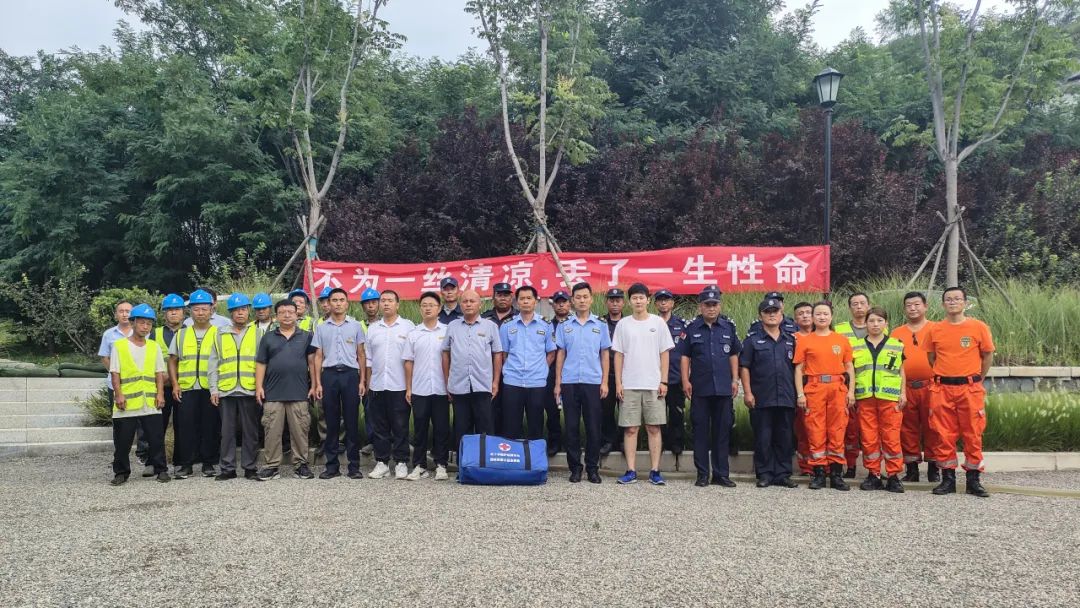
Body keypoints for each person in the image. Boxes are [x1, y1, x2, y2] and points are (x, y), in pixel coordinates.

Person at [925, 287, 994, 498]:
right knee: (943, 434)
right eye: (948, 299)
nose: (953, 302)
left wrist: (977, 378)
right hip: (942, 389)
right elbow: (931, 358)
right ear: (943, 304)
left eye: (957, 299)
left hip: (969, 388)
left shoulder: (978, 327)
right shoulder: (935, 329)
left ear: (965, 302)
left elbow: (987, 355)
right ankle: (948, 479)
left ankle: (974, 480)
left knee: (973, 433)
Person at [678, 286, 741, 488]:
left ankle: (721, 474)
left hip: (723, 388)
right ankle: (703, 474)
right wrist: (685, 381)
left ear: (719, 306)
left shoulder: (728, 327)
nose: (711, 308)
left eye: (714, 304)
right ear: (701, 306)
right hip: (700, 388)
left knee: (722, 432)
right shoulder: (691, 328)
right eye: (707, 305)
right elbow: (685, 357)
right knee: (701, 432)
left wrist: (735, 379)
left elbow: (733, 354)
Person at [612, 283, 675, 486]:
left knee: (654, 428)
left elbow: (664, 353)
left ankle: (655, 471)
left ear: (648, 300)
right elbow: (618, 355)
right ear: (629, 301)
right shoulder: (623, 324)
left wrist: (663, 380)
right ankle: (630, 470)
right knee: (630, 429)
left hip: (653, 384)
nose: (638, 301)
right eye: (634, 298)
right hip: (629, 384)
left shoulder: (658, 323)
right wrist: (618, 383)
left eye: (641, 297)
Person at [793, 301, 856, 491]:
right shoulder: (805, 340)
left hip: (837, 388)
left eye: (825, 314)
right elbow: (799, 369)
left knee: (837, 430)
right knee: (815, 430)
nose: (822, 317)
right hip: (814, 388)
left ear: (831, 316)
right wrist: (800, 394)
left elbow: (849, 367)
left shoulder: (841, 340)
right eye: (818, 314)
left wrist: (851, 391)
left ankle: (836, 474)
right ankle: (819, 473)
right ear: (813, 317)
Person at [553, 282, 611, 484]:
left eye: (585, 296)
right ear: (572, 301)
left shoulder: (600, 325)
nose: (582, 300)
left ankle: (593, 468)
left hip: (593, 382)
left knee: (593, 427)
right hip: (569, 382)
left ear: (591, 299)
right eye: (578, 297)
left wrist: (605, 381)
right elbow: (561, 354)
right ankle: (575, 468)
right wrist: (558, 383)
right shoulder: (565, 326)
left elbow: (605, 354)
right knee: (571, 427)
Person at [255, 300, 317, 480]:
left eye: (291, 311)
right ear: (276, 316)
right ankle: (272, 466)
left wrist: (314, 385)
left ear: (297, 314)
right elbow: (261, 363)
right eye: (282, 312)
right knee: (272, 430)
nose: (287, 315)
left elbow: (312, 362)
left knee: (300, 430)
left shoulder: (306, 336)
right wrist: (259, 387)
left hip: (299, 392)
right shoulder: (268, 338)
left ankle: (301, 465)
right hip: (273, 393)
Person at [739, 298, 798, 489]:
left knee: (785, 437)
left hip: (786, 396)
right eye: (767, 312)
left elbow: (798, 369)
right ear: (760, 316)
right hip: (761, 397)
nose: (772, 315)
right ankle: (764, 474)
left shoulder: (791, 340)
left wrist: (799, 394)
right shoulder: (752, 341)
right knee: (763, 437)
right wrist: (748, 392)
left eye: (775, 311)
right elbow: (744, 367)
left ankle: (783, 474)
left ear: (781, 315)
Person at [108, 304, 169, 485]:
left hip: (150, 401)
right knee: (123, 441)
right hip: (127, 402)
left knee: (156, 439)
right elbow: (115, 372)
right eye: (142, 323)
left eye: (149, 324)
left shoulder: (154, 346)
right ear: (133, 323)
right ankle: (121, 472)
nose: (145, 327)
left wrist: (160, 394)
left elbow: (159, 373)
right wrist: (118, 394)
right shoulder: (119, 346)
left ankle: (161, 470)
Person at [311, 287, 367, 480]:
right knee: (331, 422)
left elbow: (361, 354)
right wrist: (318, 383)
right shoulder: (321, 328)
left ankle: (354, 466)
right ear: (329, 303)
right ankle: (332, 466)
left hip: (350, 376)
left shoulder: (356, 326)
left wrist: (362, 380)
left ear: (347, 303)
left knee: (351, 422)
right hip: (329, 376)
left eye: (341, 300)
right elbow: (318, 356)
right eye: (334, 300)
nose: (338, 303)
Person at [853, 307, 907, 493]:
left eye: (879, 321)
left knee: (891, 438)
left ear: (886, 323)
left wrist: (903, 393)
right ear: (865, 324)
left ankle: (893, 476)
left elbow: (901, 371)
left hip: (890, 399)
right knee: (869, 438)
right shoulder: (856, 347)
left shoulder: (896, 345)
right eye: (871, 321)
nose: (875, 324)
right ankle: (873, 474)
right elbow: (852, 372)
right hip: (865, 398)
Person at [208, 293, 261, 481]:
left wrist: (260, 388)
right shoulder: (219, 334)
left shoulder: (257, 333)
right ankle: (227, 468)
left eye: (243, 309)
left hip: (249, 389)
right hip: (226, 390)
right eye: (236, 310)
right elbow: (213, 364)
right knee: (227, 432)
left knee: (250, 432)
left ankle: (250, 467)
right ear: (230, 313)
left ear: (248, 311)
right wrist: (213, 389)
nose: (240, 313)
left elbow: (262, 363)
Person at [168, 289, 220, 479]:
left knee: (210, 426)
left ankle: (208, 463)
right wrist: (175, 384)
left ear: (211, 310)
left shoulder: (219, 334)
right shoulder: (181, 334)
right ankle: (186, 464)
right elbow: (172, 360)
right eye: (196, 309)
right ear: (190, 311)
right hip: (187, 387)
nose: (200, 313)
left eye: (204, 309)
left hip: (210, 388)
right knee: (186, 427)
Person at [890, 291, 940, 483]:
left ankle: (934, 468)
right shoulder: (896, 333)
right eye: (908, 305)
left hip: (931, 386)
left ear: (925, 306)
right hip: (906, 387)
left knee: (933, 427)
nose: (913, 308)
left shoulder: (936, 329)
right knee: (907, 428)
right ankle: (911, 469)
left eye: (917, 304)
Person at [442, 289, 503, 444]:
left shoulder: (490, 326)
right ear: (460, 305)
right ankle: (464, 458)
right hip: (458, 385)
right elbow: (445, 353)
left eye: (472, 301)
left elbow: (497, 354)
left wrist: (495, 382)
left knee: (485, 427)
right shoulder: (452, 326)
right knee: (462, 428)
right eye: (465, 301)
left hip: (483, 385)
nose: (468, 304)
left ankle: (484, 458)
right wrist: (447, 381)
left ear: (480, 305)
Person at [365, 290, 415, 480]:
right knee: (379, 426)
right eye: (383, 300)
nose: (386, 304)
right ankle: (382, 462)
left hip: (399, 385)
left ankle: (401, 462)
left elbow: (412, 358)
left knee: (400, 426)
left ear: (397, 304)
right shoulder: (373, 329)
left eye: (390, 300)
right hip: (377, 385)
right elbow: (369, 360)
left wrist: (410, 386)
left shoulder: (408, 327)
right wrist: (368, 384)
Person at [402, 291, 450, 481]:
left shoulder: (447, 331)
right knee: (420, 428)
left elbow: (452, 359)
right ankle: (419, 465)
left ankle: (441, 464)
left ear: (439, 308)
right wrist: (408, 388)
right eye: (424, 305)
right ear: (420, 308)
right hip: (419, 388)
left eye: (432, 305)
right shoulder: (414, 333)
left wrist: (450, 386)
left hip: (441, 389)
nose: (428, 308)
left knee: (441, 428)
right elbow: (408, 361)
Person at [499, 285, 556, 439]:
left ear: (535, 301)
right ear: (517, 302)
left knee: (536, 425)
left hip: (536, 382)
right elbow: (504, 354)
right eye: (522, 298)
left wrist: (541, 368)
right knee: (511, 425)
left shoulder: (546, 324)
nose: (525, 301)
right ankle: (513, 453)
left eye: (529, 298)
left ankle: (534, 454)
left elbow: (551, 353)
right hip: (512, 381)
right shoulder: (507, 325)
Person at [834, 292, 872, 478]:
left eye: (862, 303)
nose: (859, 307)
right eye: (855, 304)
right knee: (847, 428)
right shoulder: (839, 329)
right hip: (845, 384)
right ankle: (849, 466)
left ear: (868, 305)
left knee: (869, 429)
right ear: (849, 308)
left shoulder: (878, 326)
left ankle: (874, 470)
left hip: (870, 385)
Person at [99, 300, 139, 466]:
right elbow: (104, 357)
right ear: (116, 314)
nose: (124, 314)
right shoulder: (109, 334)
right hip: (115, 384)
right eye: (121, 311)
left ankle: (143, 454)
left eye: (128, 311)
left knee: (141, 421)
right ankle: (120, 457)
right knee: (119, 422)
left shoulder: (141, 332)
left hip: (138, 384)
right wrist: (116, 373)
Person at [151, 293, 186, 474]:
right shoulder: (155, 333)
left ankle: (180, 461)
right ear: (164, 313)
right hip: (161, 388)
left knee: (182, 425)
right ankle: (155, 462)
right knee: (157, 426)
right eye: (169, 310)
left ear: (183, 312)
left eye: (177, 309)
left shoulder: (190, 331)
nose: (173, 313)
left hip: (183, 386)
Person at [654, 289, 689, 463]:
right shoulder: (651, 323)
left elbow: (687, 352)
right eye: (660, 300)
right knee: (657, 415)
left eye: (666, 300)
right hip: (656, 378)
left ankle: (676, 443)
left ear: (672, 303)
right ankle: (659, 443)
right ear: (655, 304)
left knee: (676, 413)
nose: (663, 303)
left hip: (676, 377)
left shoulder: (682, 325)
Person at [483, 282, 516, 436]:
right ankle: (491, 442)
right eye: (499, 295)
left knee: (510, 410)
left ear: (512, 298)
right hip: (488, 371)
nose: (503, 298)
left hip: (514, 372)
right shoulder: (484, 318)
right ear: (493, 297)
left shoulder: (519, 317)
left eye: (506, 295)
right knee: (490, 410)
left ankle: (509, 443)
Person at [544, 290, 571, 457]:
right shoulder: (547, 325)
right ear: (553, 305)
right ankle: (555, 442)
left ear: (570, 303)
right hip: (551, 373)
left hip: (572, 373)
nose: (561, 305)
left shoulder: (575, 323)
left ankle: (572, 442)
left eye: (564, 301)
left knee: (572, 412)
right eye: (557, 302)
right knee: (552, 411)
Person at [599, 288, 625, 457]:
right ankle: (608, 440)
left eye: (618, 300)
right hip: (606, 374)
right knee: (606, 410)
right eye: (612, 300)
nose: (615, 303)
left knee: (625, 409)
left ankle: (623, 441)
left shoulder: (629, 322)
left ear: (623, 303)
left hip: (626, 374)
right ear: (606, 302)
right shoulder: (599, 323)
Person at [791, 301, 814, 476]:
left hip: (820, 384)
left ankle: (824, 466)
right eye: (801, 313)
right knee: (803, 427)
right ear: (795, 319)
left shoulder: (825, 335)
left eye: (808, 312)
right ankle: (806, 467)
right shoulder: (791, 339)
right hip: (799, 384)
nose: (805, 316)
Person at [358, 287, 381, 456]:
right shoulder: (357, 326)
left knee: (389, 410)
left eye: (374, 302)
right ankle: (373, 441)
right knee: (369, 408)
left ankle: (392, 440)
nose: (371, 306)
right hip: (364, 373)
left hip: (383, 372)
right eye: (367, 303)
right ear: (363, 306)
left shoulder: (386, 324)